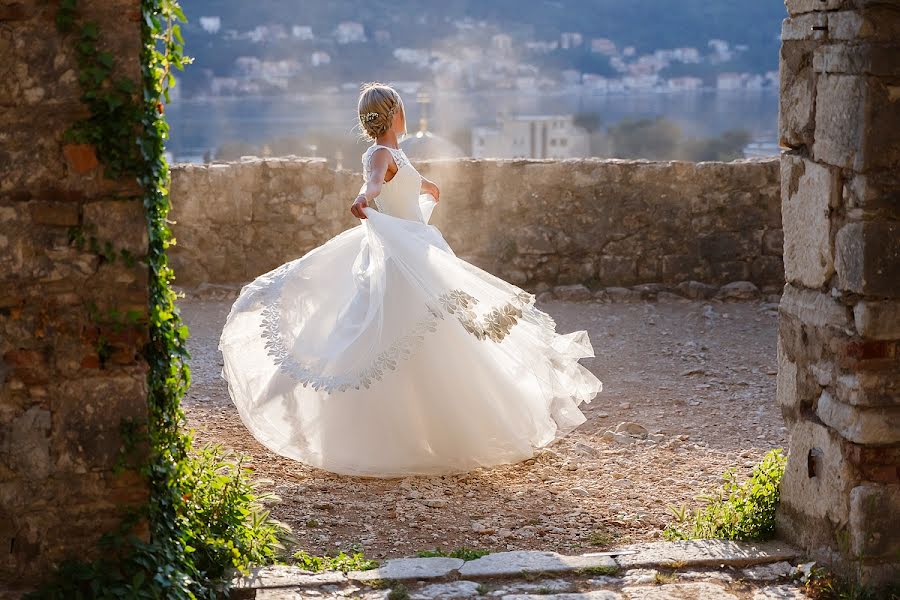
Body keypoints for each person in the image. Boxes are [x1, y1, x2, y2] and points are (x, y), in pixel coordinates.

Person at [218, 82, 602, 478]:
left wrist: (425, 186)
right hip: (401, 257)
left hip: (417, 248)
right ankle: (385, 433)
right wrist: (365, 198)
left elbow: (399, 180)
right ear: (395, 112)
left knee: (436, 336)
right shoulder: (379, 153)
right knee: (394, 336)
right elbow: (374, 182)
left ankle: (433, 430)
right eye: (400, 107)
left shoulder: (394, 153)